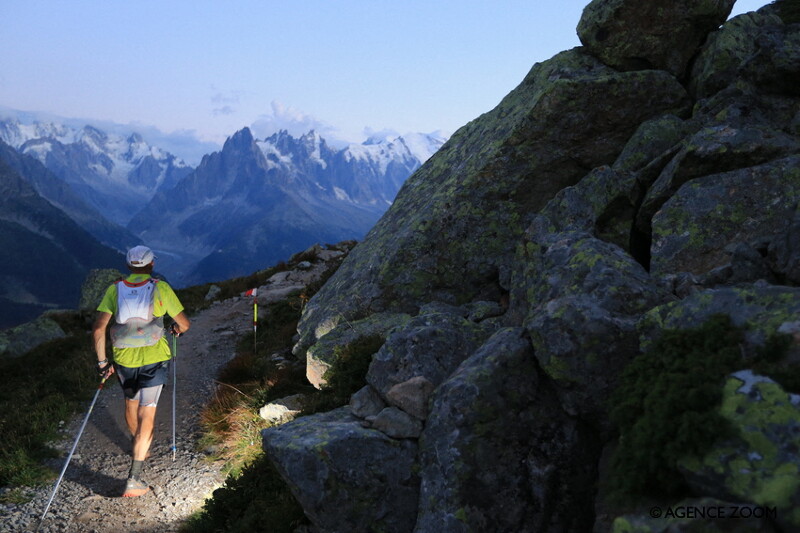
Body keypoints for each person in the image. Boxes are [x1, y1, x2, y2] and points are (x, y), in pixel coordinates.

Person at [92, 245, 191, 497]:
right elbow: (184, 324)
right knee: (148, 413)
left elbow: (98, 330)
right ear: (151, 265)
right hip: (154, 359)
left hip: (124, 359)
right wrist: (177, 330)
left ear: (128, 265)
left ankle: (140, 443)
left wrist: (104, 363)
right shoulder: (161, 288)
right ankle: (134, 477)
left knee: (130, 402)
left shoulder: (114, 289)